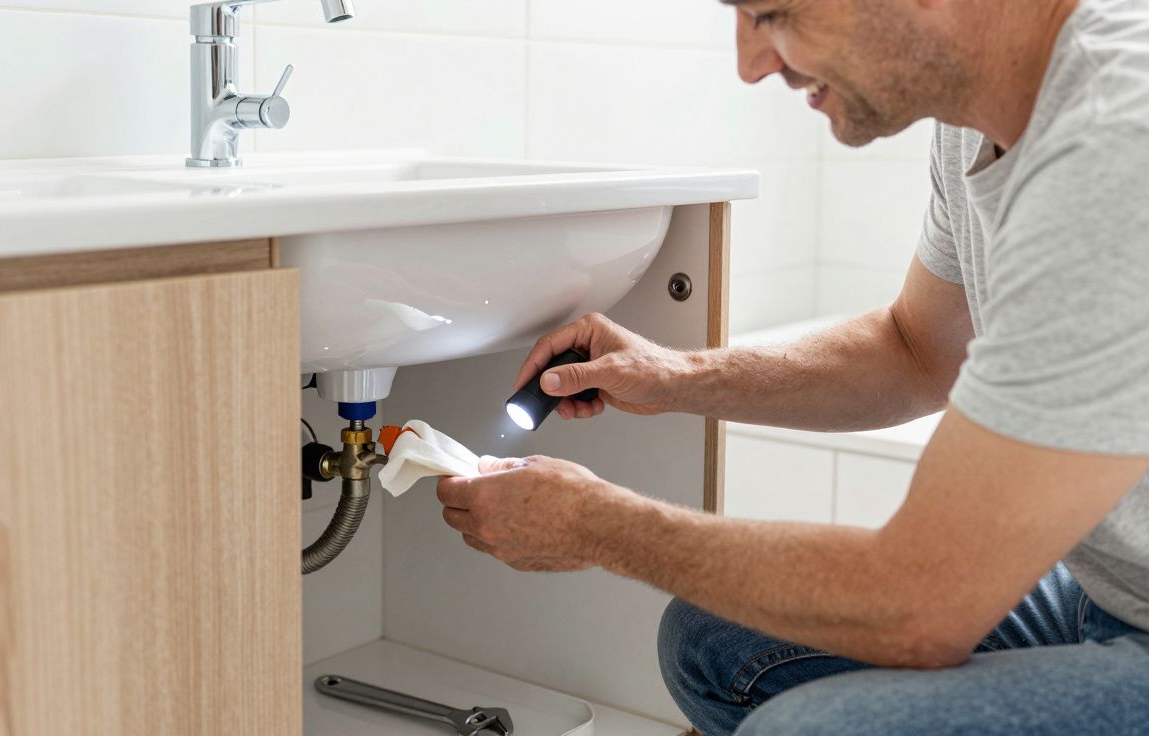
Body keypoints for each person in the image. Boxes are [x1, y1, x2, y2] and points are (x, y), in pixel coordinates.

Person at [434, 0, 1149, 733]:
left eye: (772, 13)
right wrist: (677, 376)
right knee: (713, 643)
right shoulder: (978, 116)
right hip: (1110, 591)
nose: (751, 65)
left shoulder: (1114, 135)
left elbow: (917, 610)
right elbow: (917, 349)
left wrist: (595, 526)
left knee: (801, 728)